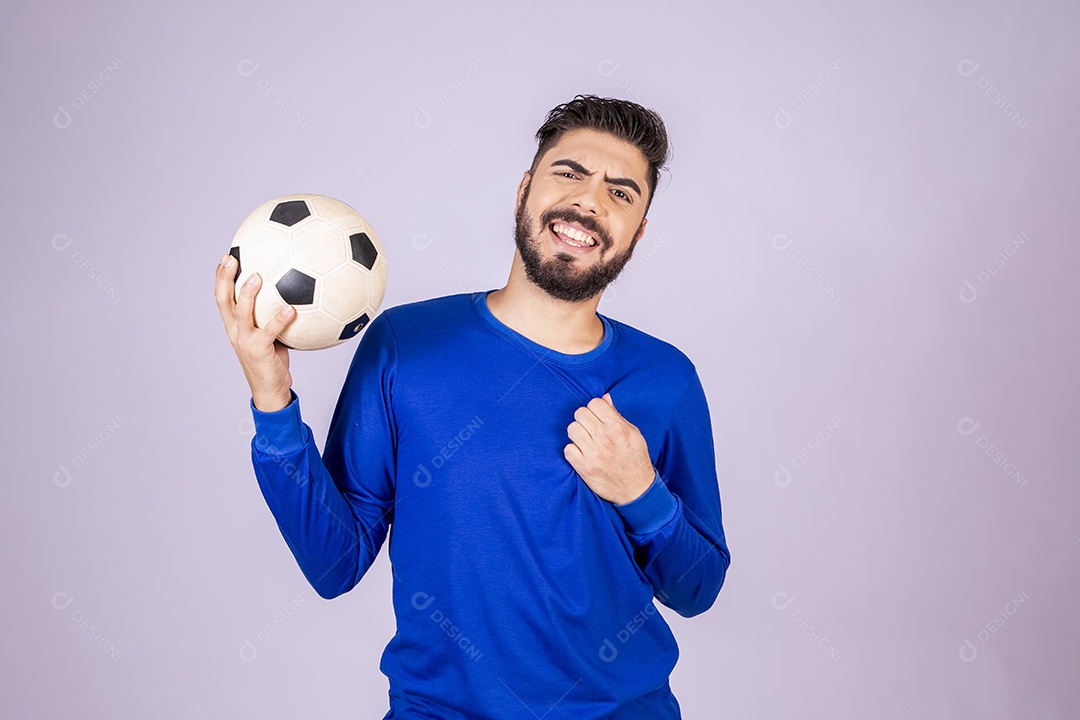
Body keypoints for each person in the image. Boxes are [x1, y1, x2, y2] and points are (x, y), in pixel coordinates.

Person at [214, 94, 731, 719]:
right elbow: (336, 562)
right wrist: (270, 395)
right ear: (524, 191)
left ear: (638, 231)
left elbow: (698, 588)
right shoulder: (405, 346)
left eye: (621, 192)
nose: (590, 201)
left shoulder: (665, 379)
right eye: (569, 173)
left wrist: (640, 491)